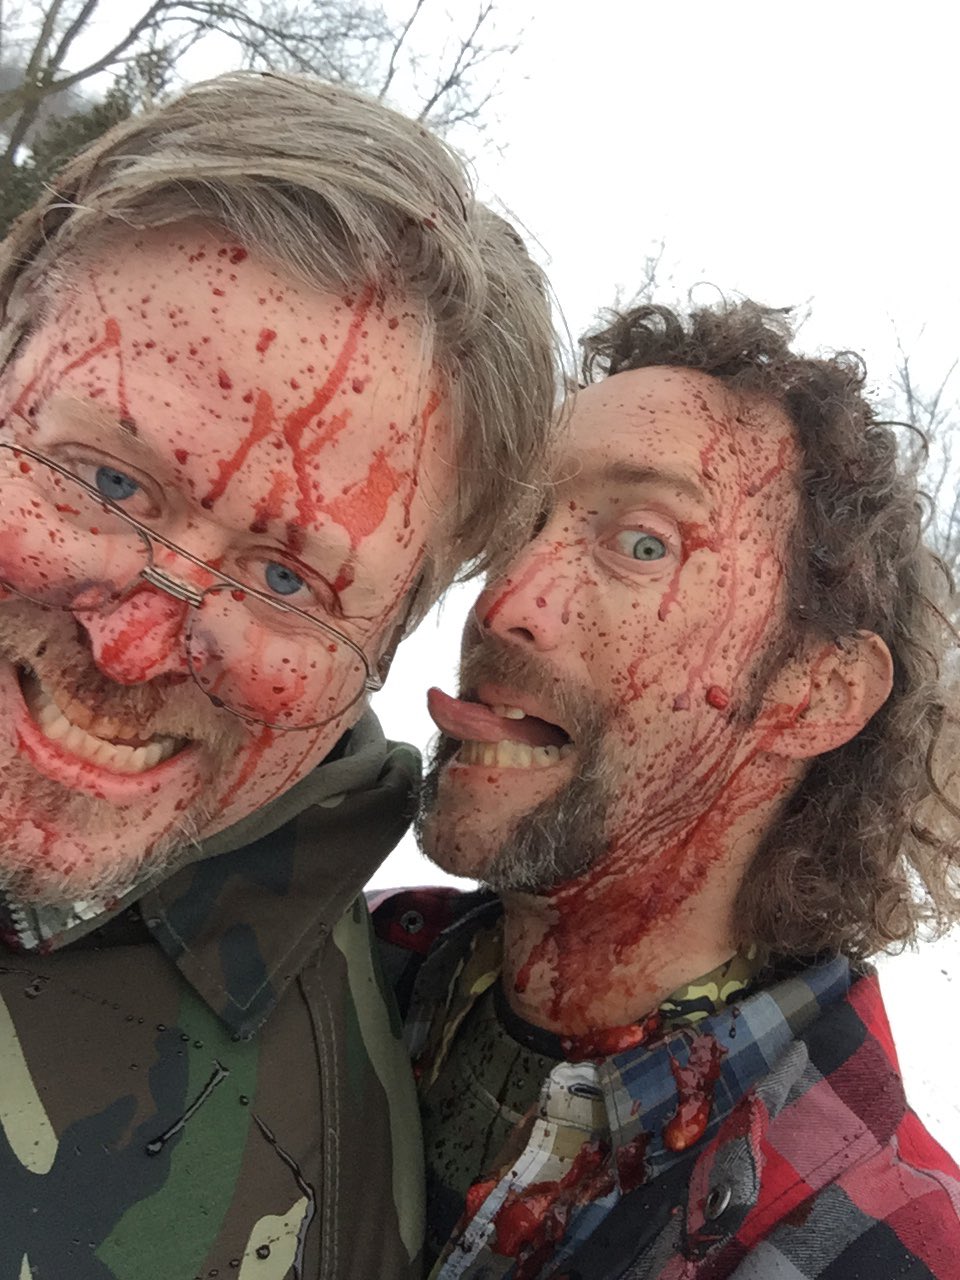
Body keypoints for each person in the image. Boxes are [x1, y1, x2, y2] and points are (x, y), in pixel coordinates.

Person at [0, 70, 557, 1280]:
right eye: (106, 478)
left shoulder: (320, 1199)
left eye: (286, 581)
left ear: (388, 642)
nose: (133, 645)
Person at [376, 302, 960, 1279]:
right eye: (520, 524)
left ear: (813, 691)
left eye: (643, 543)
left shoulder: (875, 1241)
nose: (506, 601)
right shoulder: (333, 972)